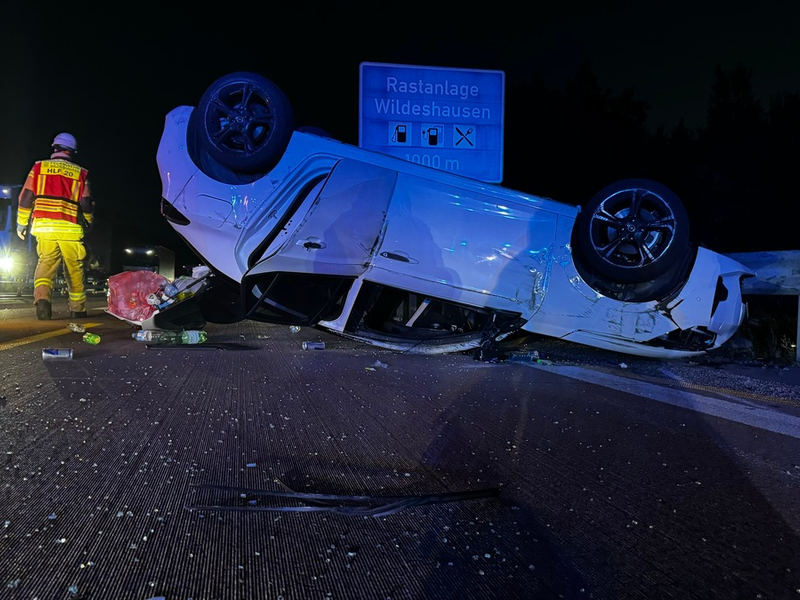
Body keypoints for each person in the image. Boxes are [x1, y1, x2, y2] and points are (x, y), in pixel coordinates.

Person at [16, 132, 95, 320]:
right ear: (72, 151)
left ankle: (42, 301)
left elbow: (26, 198)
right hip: (70, 228)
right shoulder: (80, 173)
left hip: (44, 226)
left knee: (46, 264)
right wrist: (89, 222)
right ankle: (77, 309)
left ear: (55, 148)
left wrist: (21, 224)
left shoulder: (39, 167)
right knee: (74, 269)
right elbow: (86, 202)